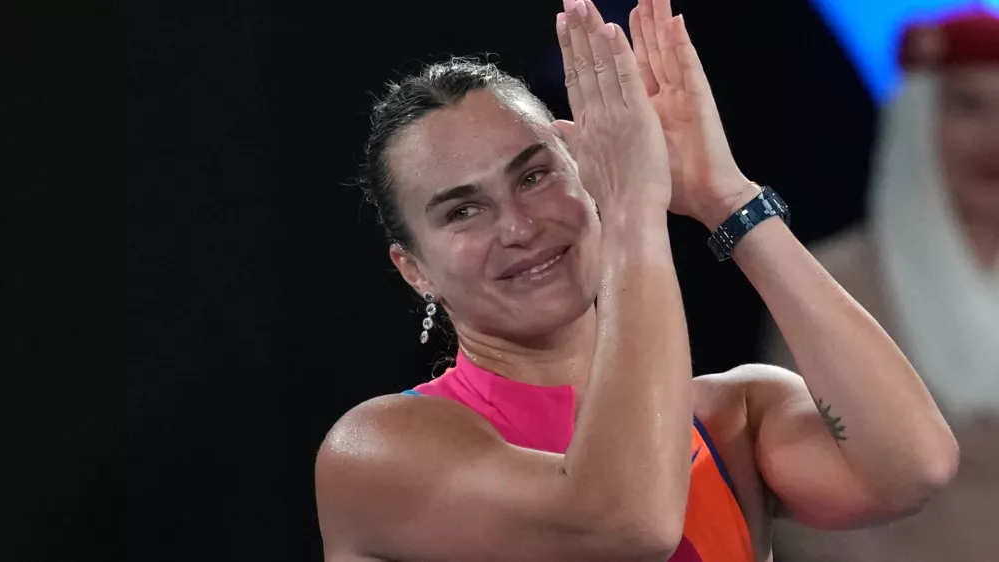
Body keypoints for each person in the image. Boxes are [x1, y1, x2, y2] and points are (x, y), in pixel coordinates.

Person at [317, 1, 958, 561]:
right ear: (415, 270)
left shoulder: (731, 415)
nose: (517, 226)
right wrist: (633, 209)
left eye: (534, 176)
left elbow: (914, 467)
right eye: (463, 210)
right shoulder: (378, 450)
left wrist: (723, 195)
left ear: (584, 172)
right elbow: (626, 522)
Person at [763, 10, 999, 562]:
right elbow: (804, 496)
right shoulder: (832, 283)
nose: (995, 137)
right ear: (918, 118)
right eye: (968, 106)